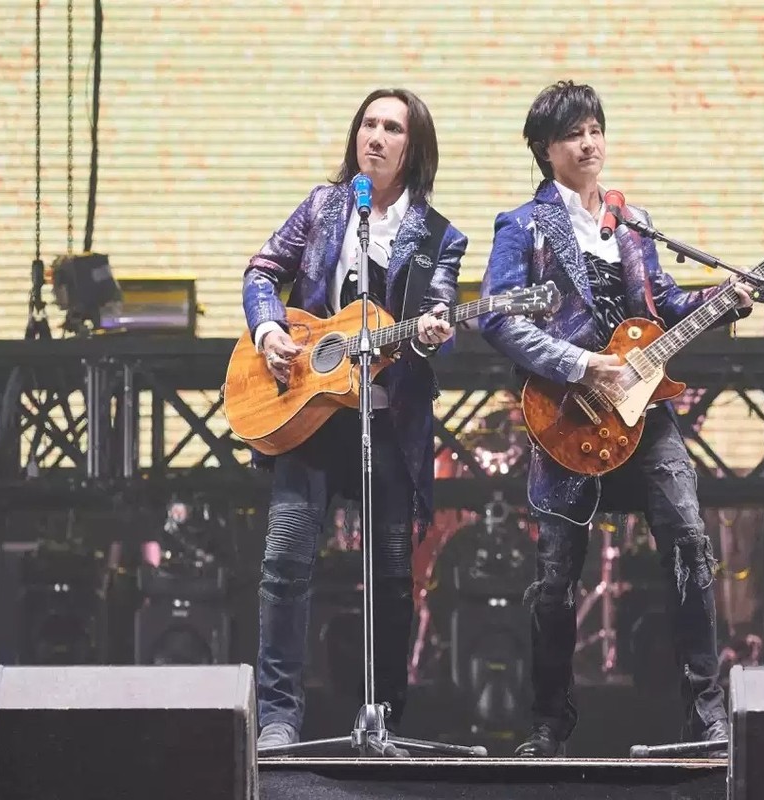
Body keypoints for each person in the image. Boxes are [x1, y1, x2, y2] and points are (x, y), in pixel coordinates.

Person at [479, 80, 752, 757]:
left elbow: (661, 306)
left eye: (595, 129)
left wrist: (721, 302)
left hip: (645, 414)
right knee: (555, 577)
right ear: (545, 149)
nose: (588, 143)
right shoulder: (523, 226)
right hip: (567, 416)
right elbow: (496, 317)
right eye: (573, 134)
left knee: (690, 542)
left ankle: (708, 714)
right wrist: (579, 365)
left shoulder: (633, 223)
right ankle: (549, 724)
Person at [242, 88, 468, 750]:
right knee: (284, 563)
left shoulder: (439, 237)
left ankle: (383, 716)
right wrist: (269, 330)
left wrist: (433, 331)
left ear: (413, 147)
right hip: (309, 412)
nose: (375, 136)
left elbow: (440, 311)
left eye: (391, 127)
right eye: (368, 124)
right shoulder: (324, 206)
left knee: (393, 575)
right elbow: (262, 272)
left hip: (388, 423)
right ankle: (277, 717)